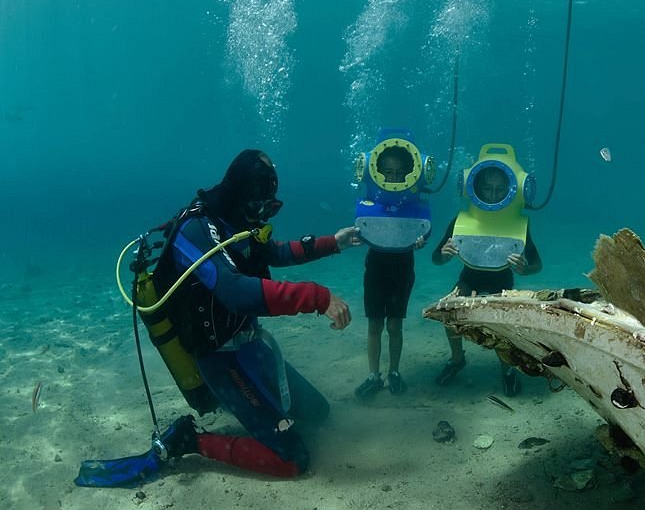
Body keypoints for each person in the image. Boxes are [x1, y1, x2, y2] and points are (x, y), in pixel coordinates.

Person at [76, 149, 361, 487]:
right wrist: (317, 297)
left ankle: (246, 406)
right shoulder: (195, 231)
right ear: (243, 195)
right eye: (262, 205)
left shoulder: (235, 220)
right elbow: (236, 292)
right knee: (292, 459)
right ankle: (189, 440)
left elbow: (274, 252)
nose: (264, 215)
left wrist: (335, 243)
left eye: (271, 206)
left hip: (249, 345)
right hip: (219, 359)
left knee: (318, 414)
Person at [432, 163, 542, 396]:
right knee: (448, 310)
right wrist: (444, 255)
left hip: (501, 281)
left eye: (500, 189)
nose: (493, 195)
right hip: (469, 278)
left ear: (512, 190)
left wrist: (524, 269)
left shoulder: (518, 224)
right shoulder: (459, 221)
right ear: (475, 189)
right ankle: (457, 359)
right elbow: (436, 258)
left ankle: (508, 369)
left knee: (504, 325)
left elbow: (536, 265)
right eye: (487, 189)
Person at [354, 146, 426, 399]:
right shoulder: (370, 205)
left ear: (411, 173)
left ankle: (394, 372)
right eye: (387, 172)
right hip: (375, 266)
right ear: (376, 174)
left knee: (395, 324)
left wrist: (420, 241)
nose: (394, 179)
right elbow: (362, 230)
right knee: (375, 324)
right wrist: (356, 238)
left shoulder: (415, 207)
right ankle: (373, 375)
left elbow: (422, 233)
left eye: (399, 173)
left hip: (403, 266)